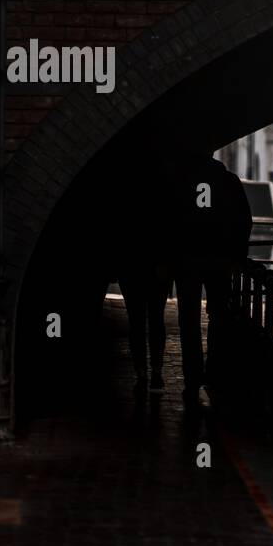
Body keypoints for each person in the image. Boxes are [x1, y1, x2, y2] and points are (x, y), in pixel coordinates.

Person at [169, 153, 253, 410]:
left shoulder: (181, 181)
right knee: (219, 315)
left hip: (188, 260)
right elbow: (243, 221)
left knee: (189, 319)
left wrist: (172, 256)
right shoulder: (228, 181)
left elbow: (171, 222)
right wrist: (237, 257)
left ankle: (193, 376)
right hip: (220, 260)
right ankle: (215, 371)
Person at [115, 156, 172, 395]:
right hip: (156, 267)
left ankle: (142, 372)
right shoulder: (164, 198)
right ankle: (156, 373)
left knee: (137, 321)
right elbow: (170, 231)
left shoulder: (125, 197)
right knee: (155, 319)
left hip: (132, 266)